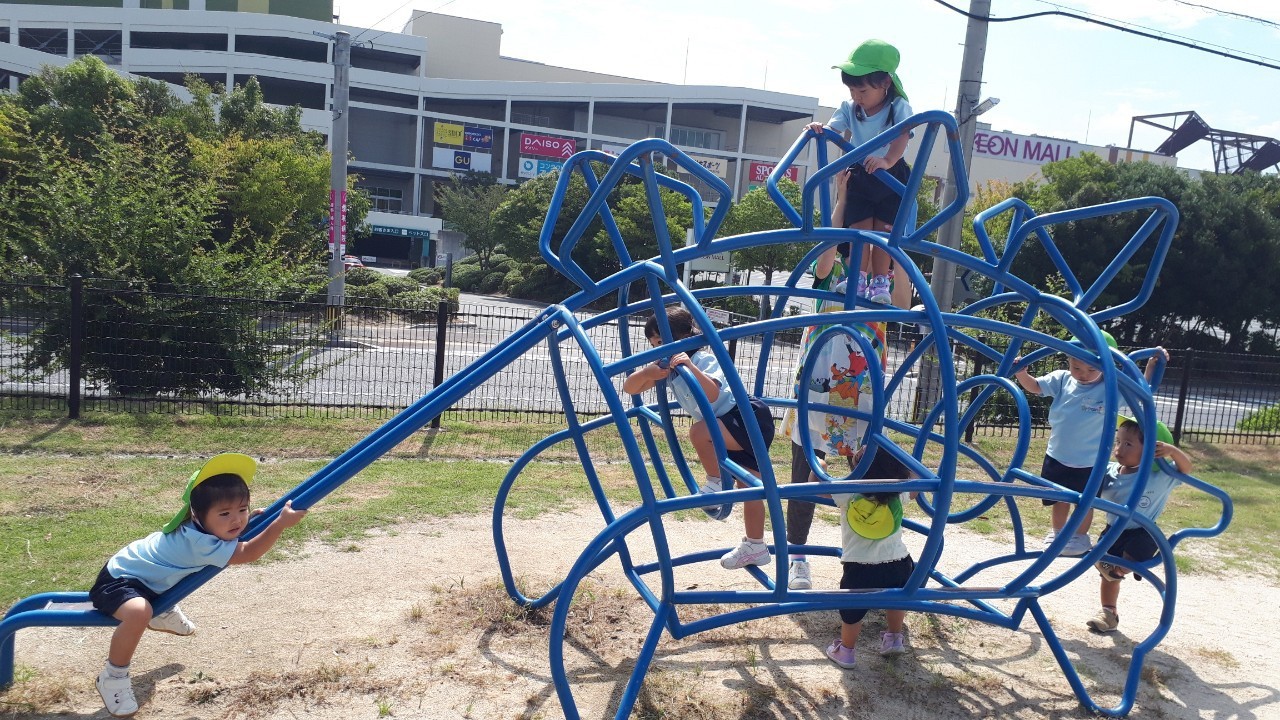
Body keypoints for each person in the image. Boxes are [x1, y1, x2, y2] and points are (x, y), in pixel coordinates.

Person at [89, 453, 307, 717]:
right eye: (224, 513)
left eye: (242, 510)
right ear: (197, 515)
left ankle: (161, 611)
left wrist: (254, 521)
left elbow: (234, 535)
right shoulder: (198, 542)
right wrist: (279, 524)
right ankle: (113, 676)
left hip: (150, 580)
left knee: (148, 605)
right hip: (118, 580)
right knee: (138, 613)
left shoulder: (205, 527)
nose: (236, 521)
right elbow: (248, 552)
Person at [622, 306, 777, 569]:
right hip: (725, 429)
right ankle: (756, 545)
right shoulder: (669, 369)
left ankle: (716, 482)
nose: (657, 349)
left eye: (660, 342)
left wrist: (690, 366)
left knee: (698, 432)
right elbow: (630, 388)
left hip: (745, 418)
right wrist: (648, 373)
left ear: (682, 338)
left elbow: (713, 394)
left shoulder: (702, 359)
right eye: (653, 345)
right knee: (750, 487)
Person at [780, 242, 887, 590]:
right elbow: (825, 259)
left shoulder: (881, 282)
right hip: (819, 385)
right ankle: (797, 557)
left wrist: (889, 245)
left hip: (863, 392)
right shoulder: (834, 273)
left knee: (871, 480)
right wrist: (845, 213)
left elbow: (902, 301)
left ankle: (872, 559)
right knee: (805, 473)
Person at [1013, 336, 1166, 557]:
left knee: (1085, 503)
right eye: (1076, 367)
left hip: (1090, 462)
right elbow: (1035, 386)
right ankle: (1058, 533)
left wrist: (1151, 366)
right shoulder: (1062, 380)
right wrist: (1021, 374)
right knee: (1059, 500)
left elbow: (1141, 391)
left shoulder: (1110, 389)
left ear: (1105, 366)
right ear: (1068, 360)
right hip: (1057, 455)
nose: (1083, 374)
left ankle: (1079, 537)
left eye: (1091, 369)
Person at [805, 38, 913, 305]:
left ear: (885, 83)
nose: (856, 96)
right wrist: (820, 129)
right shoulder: (849, 107)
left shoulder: (897, 107)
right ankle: (857, 277)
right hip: (861, 174)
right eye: (852, 90)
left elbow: (902, 135)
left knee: (884, 234)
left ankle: (880, 280)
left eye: (862, 90)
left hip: (890, 175)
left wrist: (887, 160)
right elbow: (833, 129)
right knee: (859, 231)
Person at [1087, 416, 1191, 633]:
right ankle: (1108, 613)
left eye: (1128, 444)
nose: (1119, 449)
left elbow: (1186, 468)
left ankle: (1117, 569)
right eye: (1118, 441)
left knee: (1124, 560)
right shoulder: (1110, 471)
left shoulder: (1159, 475)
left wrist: (1172, 451)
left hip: (1143, 531)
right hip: (1113, 530)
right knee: (1106, 574)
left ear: (1153, 450)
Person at [823, 445, 917, 668]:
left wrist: (820, 466)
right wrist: (905, 464)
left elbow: (817, 485)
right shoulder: (900, 493)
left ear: (858, 470)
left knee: (852, 610)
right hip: (899, 562)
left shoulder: (848, 492)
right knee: (896, 600)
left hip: (860, 567)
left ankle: (846, 651)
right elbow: (917, 479)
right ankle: (894, 638)